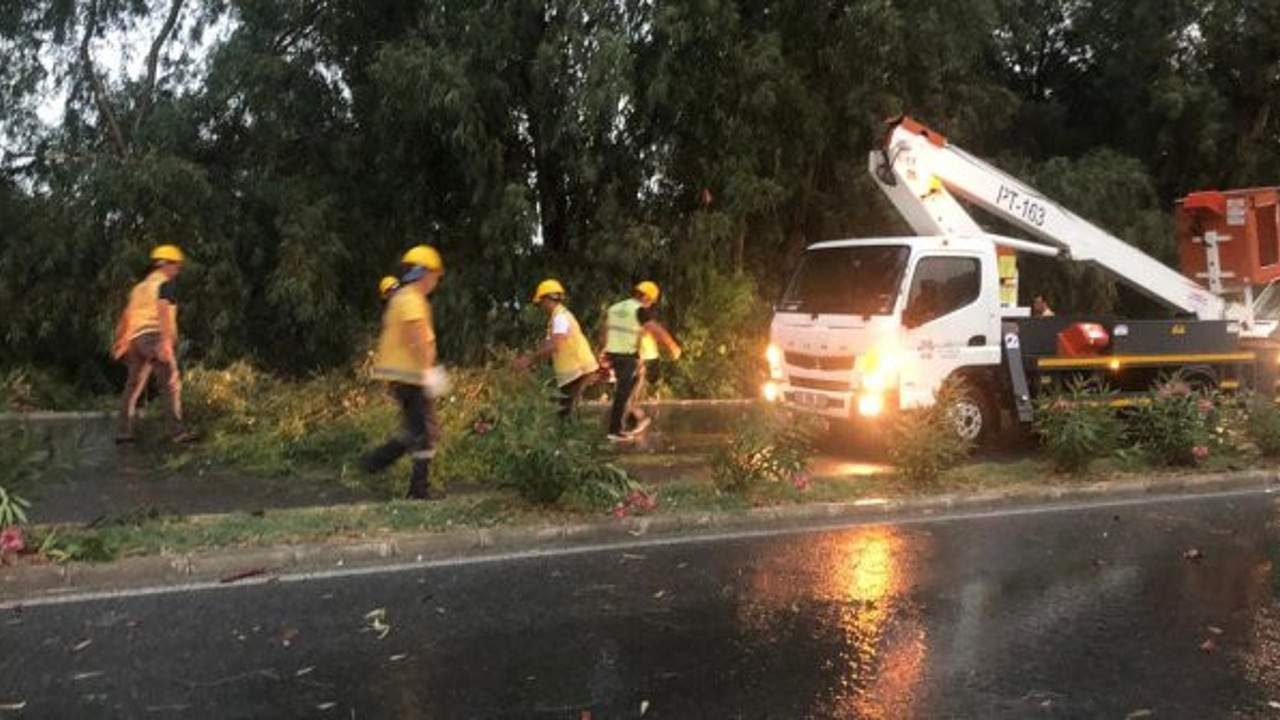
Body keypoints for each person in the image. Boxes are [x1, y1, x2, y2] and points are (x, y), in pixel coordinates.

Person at [359, 245, 447, 500]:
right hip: (411, 375)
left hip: (404, 376)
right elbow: (416, 337)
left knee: (418, 430)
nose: (436, 281)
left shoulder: (403, 298)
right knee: (423, 433)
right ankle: (390, 471)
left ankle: (382, 466)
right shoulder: (412, 300)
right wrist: (429, 371)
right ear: (424, 273)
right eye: (435, 276)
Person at [113, 244, 194, 444]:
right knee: (170, 383)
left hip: (135, 340)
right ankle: (178, 433)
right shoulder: (164, 284)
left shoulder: (138, 288)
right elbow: (163, 309)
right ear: (164, 264)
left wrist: (121, 341)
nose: (177, 270)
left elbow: (126, 315)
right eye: (176, 265)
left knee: (132, 387)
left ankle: (124, 432)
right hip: (153, 336)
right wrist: (165, 342)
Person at [599, 281, 681, 441]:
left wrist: (604, 350)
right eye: (651, 301)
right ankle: (616, 429)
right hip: (628, 355)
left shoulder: (615, 308)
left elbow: (604, 330)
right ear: (646, 297)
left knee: (628, 388)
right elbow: (655, 329)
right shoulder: (638, 310)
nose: (650, 305)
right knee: (625, 391)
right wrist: (672, 346)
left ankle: (631, 419)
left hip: (615, 354)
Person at [513, 279, 600, 419]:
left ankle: (571, 432)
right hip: (575, 370)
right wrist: (532, 361)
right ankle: (572, 430)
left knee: (566, 412)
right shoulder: (558, 317)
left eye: (541, 302)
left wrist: (529, 359)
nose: (541, 306)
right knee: (566, 409)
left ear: (547, 299)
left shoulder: (560, 317)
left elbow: (555, 343)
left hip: (577, 369)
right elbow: (548, 345)